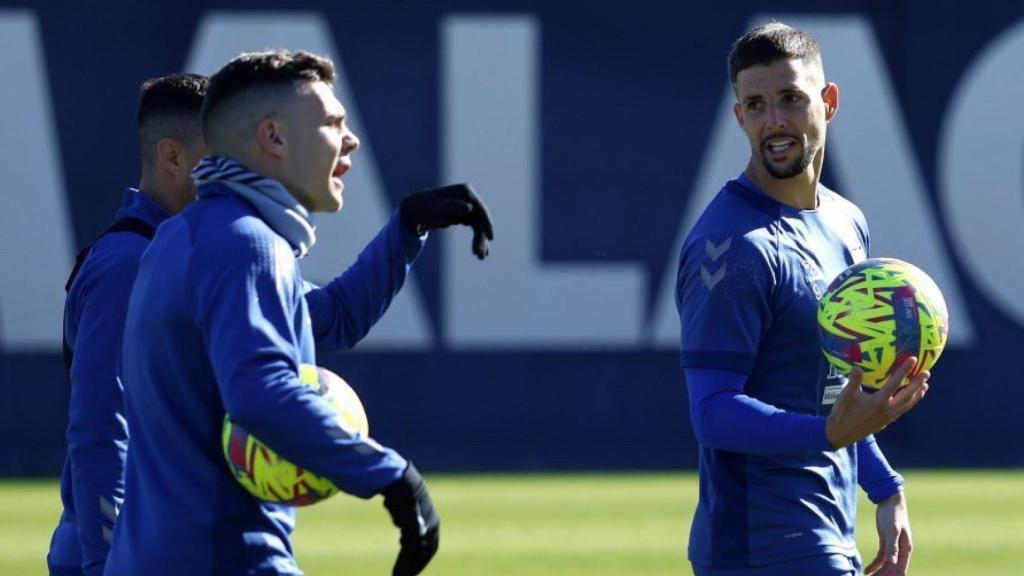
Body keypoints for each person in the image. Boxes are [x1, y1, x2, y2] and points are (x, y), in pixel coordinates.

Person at [104, 49, 492, 576]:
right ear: (275, 138)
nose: (350, 140)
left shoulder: (188, 236)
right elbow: (260, 390)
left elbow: (330, 318)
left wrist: (406, 229)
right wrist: (393, 477)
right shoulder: (245, 244)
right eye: (333, 122)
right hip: (225, 558)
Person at [676, 23, 929, 576]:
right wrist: (827, 435)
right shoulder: (730, 250)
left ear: (828, 101)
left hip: (828, 534)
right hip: (758, 549)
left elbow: (830, 394)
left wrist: (885, 490)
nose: (775, 122)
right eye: (757, 105)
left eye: (791, 99)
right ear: (738, 117)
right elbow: (713, 411)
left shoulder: (845, 222)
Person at [48, 73, 210, 576]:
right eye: (222, 155)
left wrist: (404, 234)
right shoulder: (127, 266)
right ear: (173, 157)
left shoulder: (202, 254)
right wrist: (107, 562)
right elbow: (100, 426)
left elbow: (326, 317)